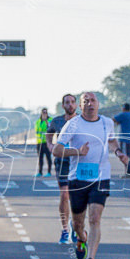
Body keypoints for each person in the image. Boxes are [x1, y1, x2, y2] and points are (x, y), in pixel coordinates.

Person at [52, 91, 129, 259]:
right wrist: (77, 152)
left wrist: (119, 153)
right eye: (85, 101)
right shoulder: (73, 124)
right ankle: (81, 237)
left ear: (98, 104)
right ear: (80, 106)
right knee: (78, 223)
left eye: (93, 100)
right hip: (77, 178)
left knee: (95, 218)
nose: (90, 104)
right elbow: (57, 149)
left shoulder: (107, 123)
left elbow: (111, 140)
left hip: (101, 176)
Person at [46, 94, 77, 243]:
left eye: (72, 102)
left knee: (78, 197)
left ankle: (76, 224)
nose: (70, 105)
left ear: (76, 105)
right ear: (63, 105)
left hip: (79, 161)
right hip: (62, 161)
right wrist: (50, 145)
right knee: (65, 195)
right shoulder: (57, 121)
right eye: (67, 102)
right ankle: (65, 229)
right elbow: (48, 134)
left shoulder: (82, 121)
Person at [112, 103, 130, 176]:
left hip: (125, 139)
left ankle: (127, 172)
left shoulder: (123, 114)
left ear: (124, 108)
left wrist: (117, 122)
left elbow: (113, 119)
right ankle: (129, 172)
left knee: (124, 155)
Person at [34, 108, 52, 177]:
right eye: (43, 112)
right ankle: (40, 172)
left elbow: (50, 128)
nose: (44, 114)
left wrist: (46, 121)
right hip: (39, 142)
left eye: (46, 112)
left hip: (47, 142)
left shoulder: (50, 120)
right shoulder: (38, 121)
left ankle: (49, 172)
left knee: (48, 158)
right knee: (40, 158)